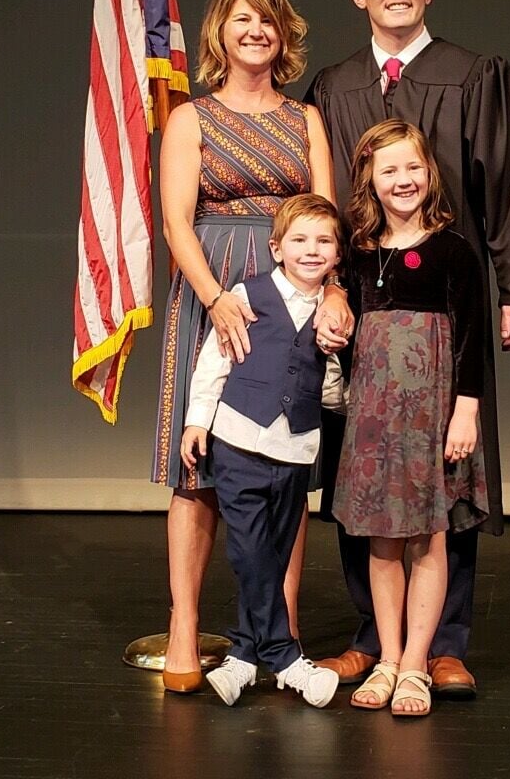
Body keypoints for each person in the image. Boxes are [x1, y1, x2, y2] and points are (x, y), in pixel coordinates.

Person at [305, 0, 510, 697]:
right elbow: (318, 196)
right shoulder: (334, 86)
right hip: (357, 308)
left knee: (447, 469)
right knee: (361, 472)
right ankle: (373, 638)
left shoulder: (471, 75)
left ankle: (442, 643)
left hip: (445, 314)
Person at [152, 0, 352, 693]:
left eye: (267, 21)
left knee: (282, 468)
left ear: (283, 34)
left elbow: (325, 212)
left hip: (293, 287)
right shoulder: (191, 119)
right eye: (242, 20)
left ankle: (281, 630)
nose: (256, 31)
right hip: (213, 286)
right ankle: (184, 627)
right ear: (220, 34)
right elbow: (176, 219)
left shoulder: (306, 120)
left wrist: (331, 290)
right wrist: (215, 299)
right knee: (200, 466)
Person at [333, 120, 486, 717]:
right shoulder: (358, 251)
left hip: (429, 413)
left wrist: (465, 412)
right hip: (373, 417)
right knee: (381, 541)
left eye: (412, 168)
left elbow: (472, 339)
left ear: (430, 173)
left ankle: (418, 663)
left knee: (427, 537)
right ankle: (390, 656)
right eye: (389, 170)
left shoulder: (453, 251)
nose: (403, 180)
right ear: (370, 178)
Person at [180, 194, 345, 708]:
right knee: (248, 548)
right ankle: (286, 656)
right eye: (299, 240)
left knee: (272, 552)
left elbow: (332, 385)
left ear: (338, 255)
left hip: (295, 447)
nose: (311, 251)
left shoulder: (333, 312)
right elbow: (214, 360)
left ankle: (245, 656)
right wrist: (195, 421)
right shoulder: (248, 295)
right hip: (239, 440)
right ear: (276, 248)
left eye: (323, 241)